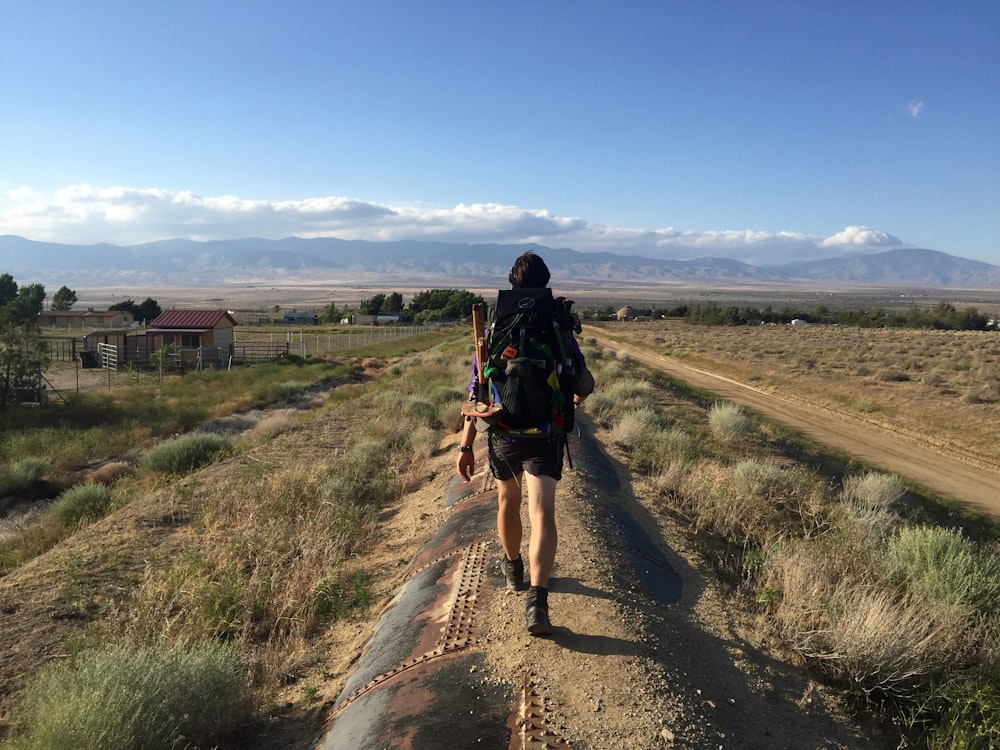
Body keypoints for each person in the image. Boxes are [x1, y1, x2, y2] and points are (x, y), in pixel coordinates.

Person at [456, 251, 593, 636]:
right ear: (546, 284)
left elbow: (478, 389)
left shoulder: (493, 328)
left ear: (512, 285)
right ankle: (538, 603)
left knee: (507, 501)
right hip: (547, 430)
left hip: (504, 431)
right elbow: (582, 381)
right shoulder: (557, 326)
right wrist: (573, 400)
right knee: (543, 511)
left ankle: (513, 569)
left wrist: (466, 445)